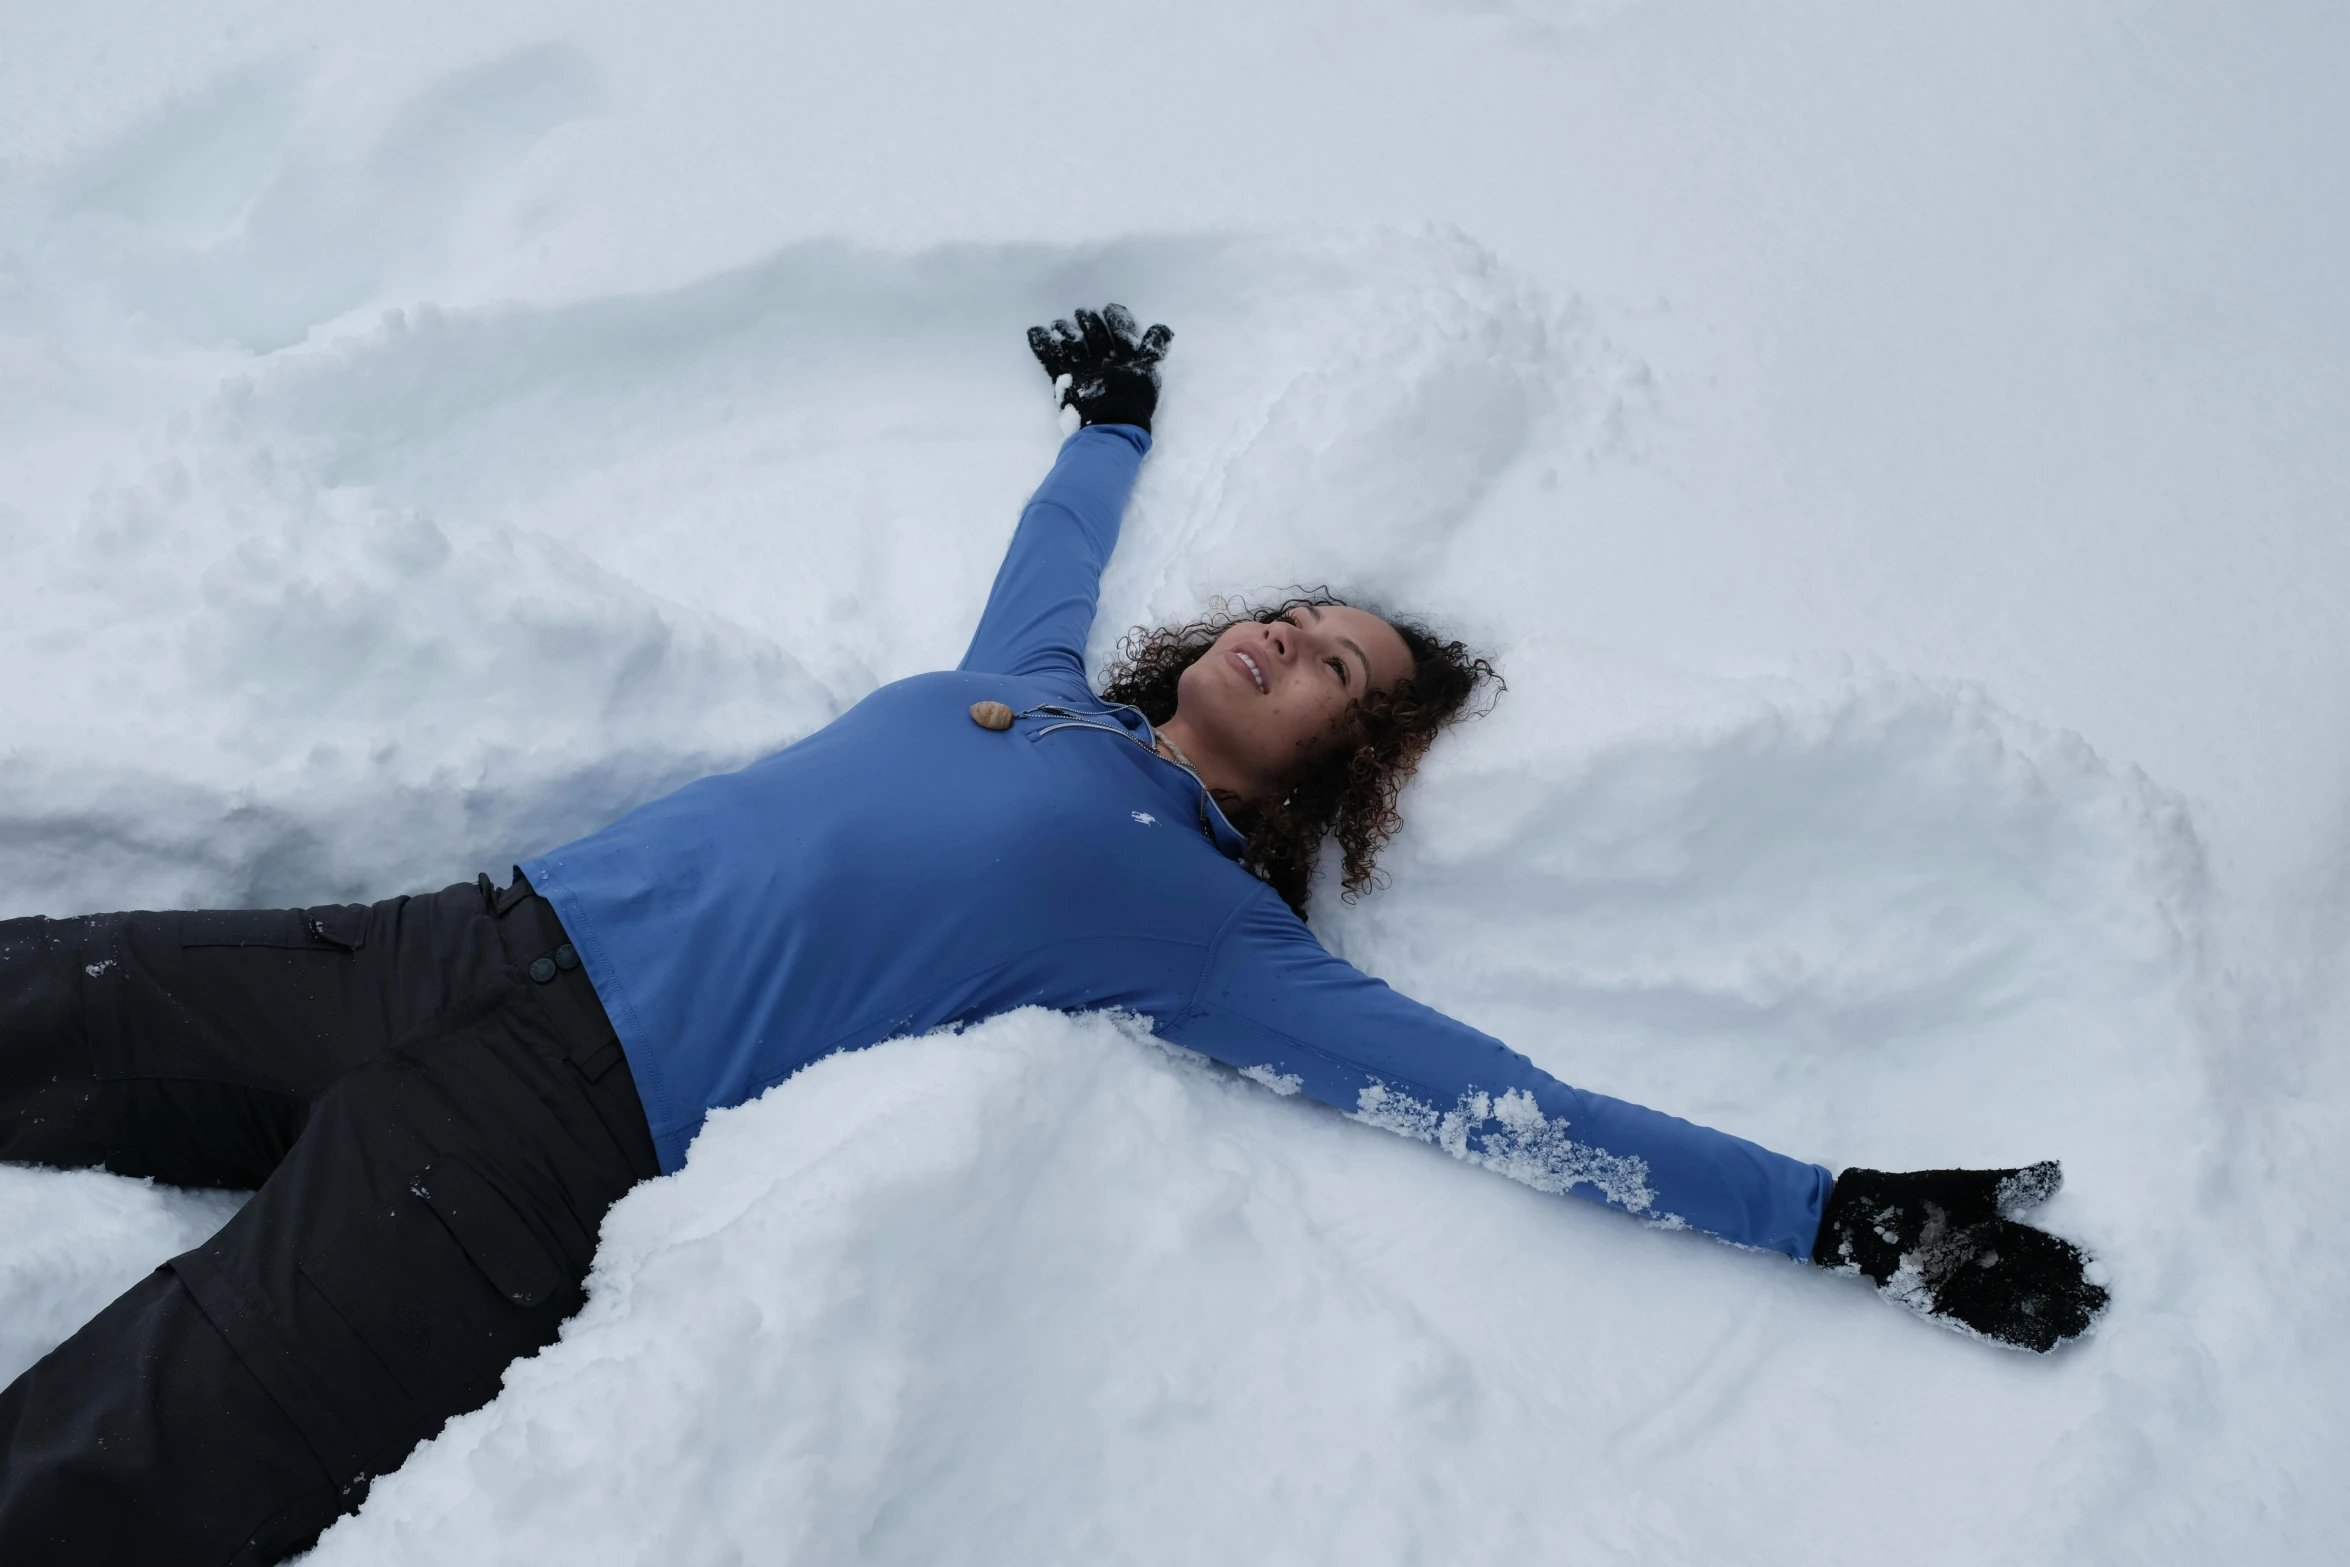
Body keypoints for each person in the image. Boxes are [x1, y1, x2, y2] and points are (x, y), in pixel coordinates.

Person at [0, 305, 2109, 1564]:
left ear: (1325, 772)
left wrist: (1840, 1218)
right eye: (1300, 613)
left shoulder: (1194, 927)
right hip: (439, 947)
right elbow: (1051, 546)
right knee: (39, 992)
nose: (1294, 638)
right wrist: (1110, 412)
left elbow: (1511, 1109)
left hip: (525, 1162)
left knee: (131, 1454)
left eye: (1338, 673)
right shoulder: (1034, 692)